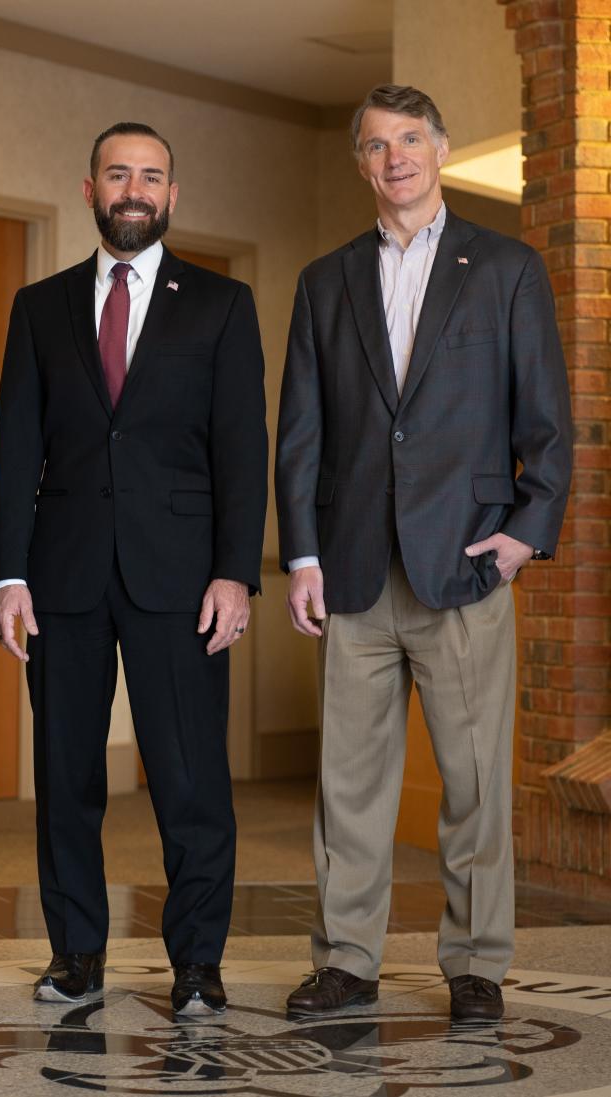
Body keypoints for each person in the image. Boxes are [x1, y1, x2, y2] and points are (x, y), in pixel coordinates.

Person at [275, 84, 572, 1022]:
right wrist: (302, 553)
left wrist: (526, 533)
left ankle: (476, 962)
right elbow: (302, 434)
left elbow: (548, 424)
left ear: (440, 149)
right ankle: (347, 962)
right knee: (348, 788)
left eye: (411, 139)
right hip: (355, 571)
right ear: (359, 162)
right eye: (375, 143)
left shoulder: (508, 269)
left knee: (476, 784)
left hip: (468, 566)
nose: (395, 156)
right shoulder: (324, 282)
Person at [0, 122, 268, 1016]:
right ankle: (75, 953)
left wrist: (236, 571)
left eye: (152, 175)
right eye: (119, 174)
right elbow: (15, 450)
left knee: (189, 780)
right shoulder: (41, 306)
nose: (135, 188)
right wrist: (8, 574)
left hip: (182, 578)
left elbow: (241, 452)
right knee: (67, 778)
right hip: (62, 576)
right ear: (90, 189)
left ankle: (197, 963)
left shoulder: (222, 305)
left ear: (173, 195)